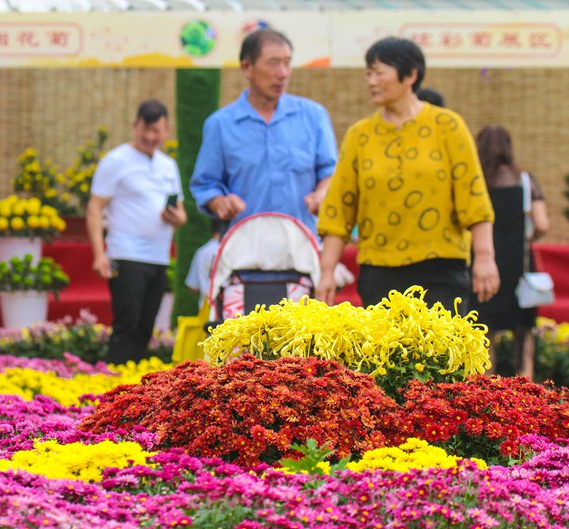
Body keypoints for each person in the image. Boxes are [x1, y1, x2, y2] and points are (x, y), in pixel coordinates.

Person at [315, 37, 499, 313]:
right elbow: (339, 207)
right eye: (368, 74)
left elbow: (473, 198)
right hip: (379, 271)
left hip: (441, 269)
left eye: (379, 73)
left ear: (410, 75)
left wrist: (485, 257)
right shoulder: (359, 135)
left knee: (440, 355)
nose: (371, 82)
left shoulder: (448, 126)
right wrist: (327, 270)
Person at [189, 28, 338, 238]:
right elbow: (206, 185)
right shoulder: (220, 125)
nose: (283, 73)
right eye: (273, 62)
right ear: (247, 67)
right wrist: (219, 202)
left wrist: (322, 194)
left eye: (287, 62)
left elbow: (330, 172)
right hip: (243, 251)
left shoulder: (313, 117)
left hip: (302, 248)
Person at [86, 99, 187, 364]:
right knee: (127, 323)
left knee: (146, 326)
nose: (150, 137)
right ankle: (114, 385)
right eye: (145, 129)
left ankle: (136, 390)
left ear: (166, 131)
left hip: (159, 256)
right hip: (126, 252)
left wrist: (176, 217)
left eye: (157, 131)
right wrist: (100, 254)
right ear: (135, 126)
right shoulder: (116, 160)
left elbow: (181, 215)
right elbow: (95, 209)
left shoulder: (168, 166)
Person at [469, 125, 549, 378]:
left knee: (485, 332)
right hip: (519, 262)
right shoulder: (525, 181)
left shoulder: (476, 182)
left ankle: (487, 394)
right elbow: (543, 224)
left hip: (484, 263)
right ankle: (526, 392)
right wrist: (526, 235)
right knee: (523, 332)